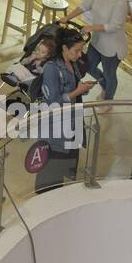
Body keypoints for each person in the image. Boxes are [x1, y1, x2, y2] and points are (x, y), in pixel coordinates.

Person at [34, 28, 96, 192]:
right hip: (55, 129)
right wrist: (77, 91)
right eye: (77, 50)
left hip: (70, 124)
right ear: (64, 48)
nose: (80, 55)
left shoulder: (71, 63)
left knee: (60, 170)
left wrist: (81, 88)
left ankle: (56, 195)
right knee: (50, 170)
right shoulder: (51, 69)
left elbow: (71, 89)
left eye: (81, 50)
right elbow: (53, 102)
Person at [70, 0, 129, 100]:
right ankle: (105, 86)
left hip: (112, 47)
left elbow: (114, 26)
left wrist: (92, 28)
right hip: (97, 42)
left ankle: (108, 100)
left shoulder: (120, 3)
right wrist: (68, 17)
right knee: (89, 67)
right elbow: (84, 5)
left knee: (110, 75)